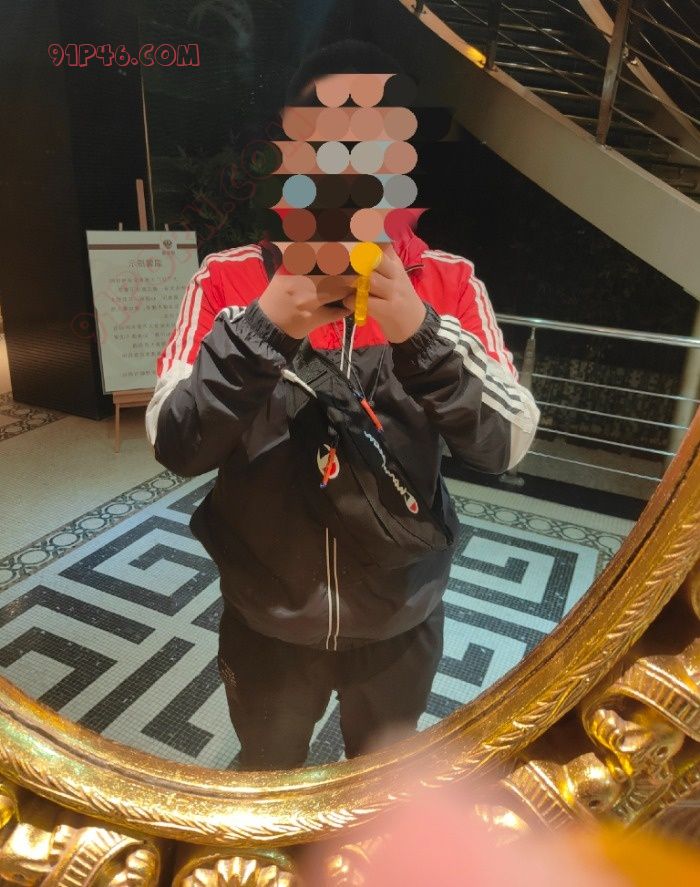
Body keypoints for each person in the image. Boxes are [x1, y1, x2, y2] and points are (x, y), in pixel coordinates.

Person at [145, 39, 540, 770]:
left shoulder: (449, 284)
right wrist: (262, 328)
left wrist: (419, 333)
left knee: (380, 790)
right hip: (265, 619)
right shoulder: (228, 282)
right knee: (268, 775)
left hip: (401, 620)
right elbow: (176, 443)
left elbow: (505, 443)